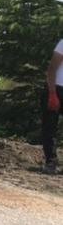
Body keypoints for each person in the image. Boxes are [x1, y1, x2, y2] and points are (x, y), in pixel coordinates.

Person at [39, 39, 63, 175]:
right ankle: (50, 162)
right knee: (49, 127)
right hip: (56, 88)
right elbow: (52, 67)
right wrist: (52, 93)